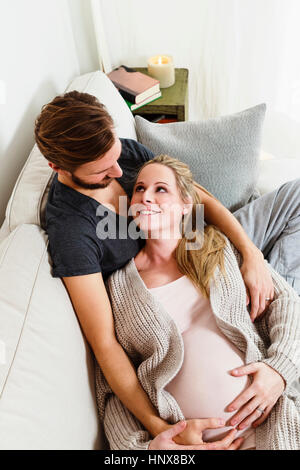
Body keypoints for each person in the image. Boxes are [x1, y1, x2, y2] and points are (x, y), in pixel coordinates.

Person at [34, 90, 300, 448]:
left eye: (116, 155)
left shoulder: (121, 154)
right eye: (103, 171)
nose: (119, 173)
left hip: (194, 239)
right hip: (167, 264)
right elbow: (105, 346)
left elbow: (196, 198)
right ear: (58, 168)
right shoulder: (72, 233)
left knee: (290, 209)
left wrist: (250, 254)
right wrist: (160, 431)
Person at [95, 155, 300, 450]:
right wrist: (148, 449)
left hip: (270, 427)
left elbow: (287, 302)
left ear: (186, 205)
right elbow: (112, 388)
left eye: (160, 189)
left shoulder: (218, 247)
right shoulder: (118, 286)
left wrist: (279, 370)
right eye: (139, 189)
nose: (145, 197)